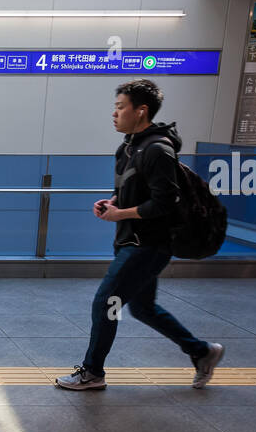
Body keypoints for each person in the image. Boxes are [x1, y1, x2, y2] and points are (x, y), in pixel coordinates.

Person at [55, 79, 225, 391]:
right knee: (143, 307)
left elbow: (164, 203)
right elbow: (132, 190)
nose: (114, 113)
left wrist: (120, 214)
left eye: (121, 107)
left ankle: (93, 372)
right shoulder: (129, 147)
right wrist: (112, 203)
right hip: (130, 241)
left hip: (148, 244)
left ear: (141, 110)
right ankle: (202, 351)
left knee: (106, 302)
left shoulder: (158, 149)